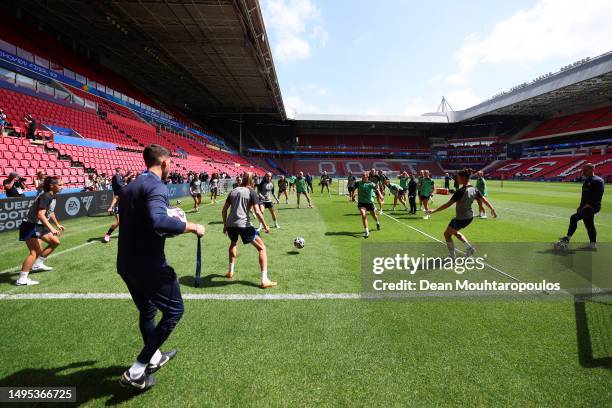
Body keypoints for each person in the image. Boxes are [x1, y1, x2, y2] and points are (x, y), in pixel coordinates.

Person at [117, 144, 205, 390]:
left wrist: (169, 215)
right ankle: (136, 372)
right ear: (164, 162)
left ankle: (154, 357)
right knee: (175, 311)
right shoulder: (156, 185)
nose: (172, 167)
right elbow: (158, 221)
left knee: (147, 312)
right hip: (149, 265)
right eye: (172, 163)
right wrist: (191, 226)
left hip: (126, 263)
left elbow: (147, 221)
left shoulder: (131, 186)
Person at [222, 172, 277, 289]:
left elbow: (224, 210)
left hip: (231, 224)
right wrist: (266, 225)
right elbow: (257, 212)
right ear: (252, 180)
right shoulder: (251, 192)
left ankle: (230, 271)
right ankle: (264, 280)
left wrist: (225, 225)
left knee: (233, 243)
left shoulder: (233, 191)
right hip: (244, 225)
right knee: (262, 248)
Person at [427, 168, 497, 258]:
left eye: (458, 177)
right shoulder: (474, 189)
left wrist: (434, 210)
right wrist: (492, 209)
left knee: (447, 234)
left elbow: (447, 204)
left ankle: (452, 256)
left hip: (461, 218)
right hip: (469, 217)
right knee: (455, 232)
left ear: (464, 178)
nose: (457, 179)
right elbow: (484, 199)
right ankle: (470, 248)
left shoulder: (460, 191)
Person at [17, 176, 65, 286]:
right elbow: (40, 215)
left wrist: (57, 224)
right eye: (60, 185)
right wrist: (52, 229)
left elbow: (50, 211)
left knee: (55, 242)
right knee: (34, 252)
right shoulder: (46, 196)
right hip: (30, 225)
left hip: (38, 225)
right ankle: (22, 279)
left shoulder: (52, 196)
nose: (62, 187)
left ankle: (38, 264)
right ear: (52, 186)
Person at [555, 163, 604, 251]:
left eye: (585, 170)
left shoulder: (598, 180)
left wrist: (588, 204)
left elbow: (598, 196)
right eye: (582, 170)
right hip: (585, 207)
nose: (583, 172)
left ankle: (567, 239)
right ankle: (593, 246)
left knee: (573, 218)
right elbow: (584, 196)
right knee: (589, 224)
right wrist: (580, 206)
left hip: (592, 207)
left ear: (592, 170)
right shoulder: (586, 181)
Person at [356, 172, 382, 238]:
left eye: (364, 175)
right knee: (363, 214)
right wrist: (353, 195)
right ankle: (367, 231)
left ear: (367, 176)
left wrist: (381, 195)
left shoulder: (371, 184)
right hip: (361, 202)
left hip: (369, 203)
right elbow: (354, 188)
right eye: (362, 175)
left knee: (374, 216)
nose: (362, 176)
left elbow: (377, 189)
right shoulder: (359, 183)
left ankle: (377, 222)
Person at [104, 168, 127, 243]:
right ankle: (108, 234)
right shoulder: (119, 192)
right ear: (119, 171)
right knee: (118, 222)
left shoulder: (125, 192)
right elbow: (116, 197)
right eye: (122, 171)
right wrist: (110, 207)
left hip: (123, 207)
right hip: (117, 207)